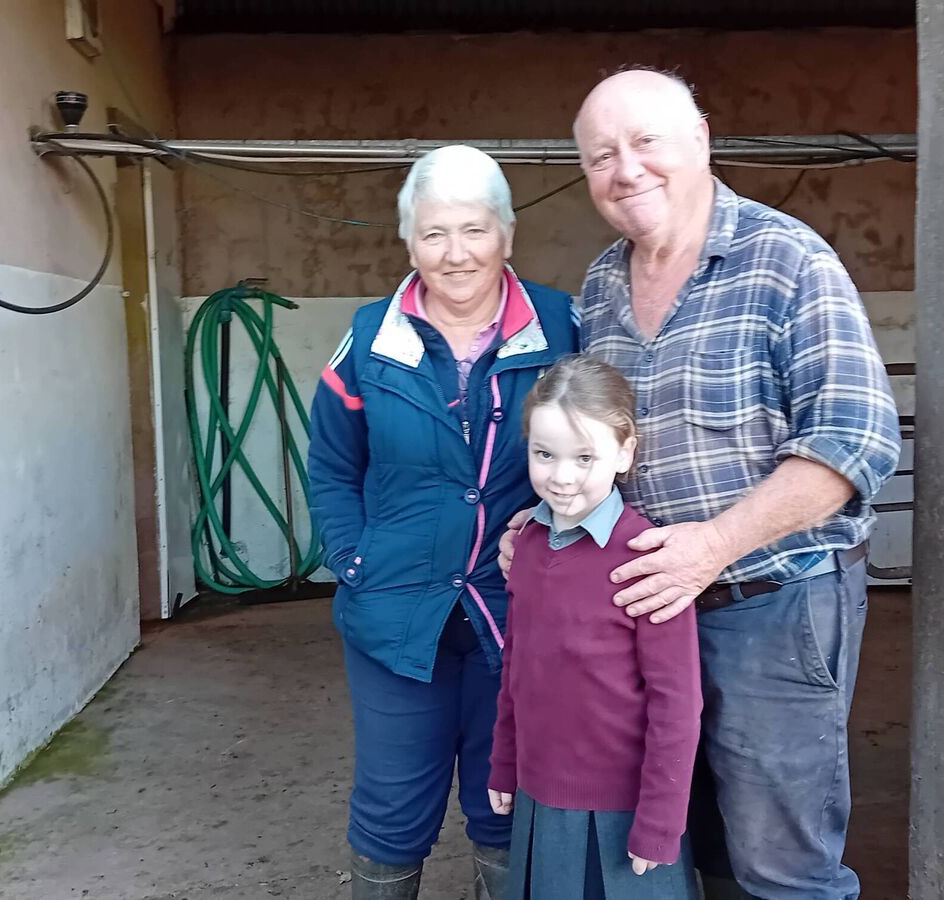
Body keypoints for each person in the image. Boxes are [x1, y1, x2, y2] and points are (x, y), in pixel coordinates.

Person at [500, 69, 901, 899]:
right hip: (643, 609)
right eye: (601, 155)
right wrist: (543, 520)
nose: (626, 170)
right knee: (677, 842)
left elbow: (855, 438)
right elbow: (595, 442)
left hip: (769, 605)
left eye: (646, 142)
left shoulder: (786, 259)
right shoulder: (604, 283)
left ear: (702, 140)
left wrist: (714, 546)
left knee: (780, 863)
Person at [308, 144, 579, 900]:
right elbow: (331, 465)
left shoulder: (564, 326)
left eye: (474, 230)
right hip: (396, 608)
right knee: (392, 811)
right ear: (407, 241)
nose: (455, 254)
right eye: (434, 234)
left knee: (509, 803)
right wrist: (354, 560)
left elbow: (608, 446)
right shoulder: (369, 341)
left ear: (508, 234)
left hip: (521, 611)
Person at [488, 355, 703, 900]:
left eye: (585, 457)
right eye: (545, 454)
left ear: (625, 452)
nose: (561, 477)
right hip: (540, 797)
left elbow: (676, 702)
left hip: (621, 813)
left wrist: (660, 823)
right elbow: (517, 667)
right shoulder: (528, 546)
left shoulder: (647, 559)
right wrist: (504, 763)